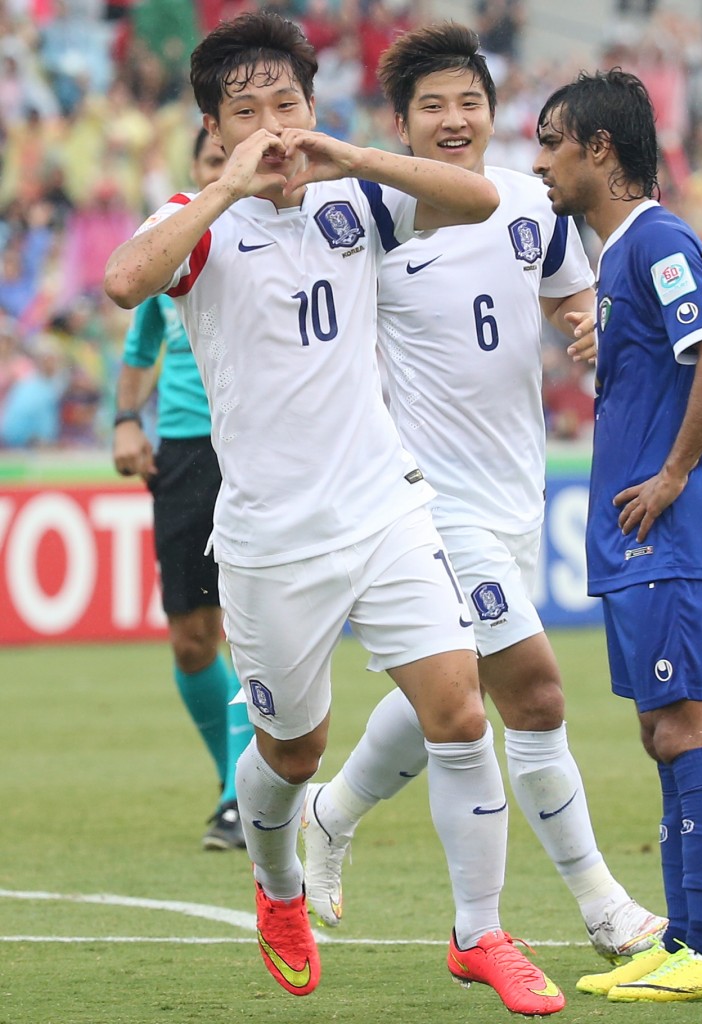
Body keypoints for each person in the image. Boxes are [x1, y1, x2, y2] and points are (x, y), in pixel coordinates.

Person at [104, 12, 564, 1016]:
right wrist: (225, 185)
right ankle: (279, 890)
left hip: (385, 508)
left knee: (457, 710)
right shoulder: (199, 218)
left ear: (312, 107)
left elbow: (481, 197)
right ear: (215, 129)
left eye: (287, 103)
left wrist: (354, 153)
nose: (272, 124)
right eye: (247, 110)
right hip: (270, 540)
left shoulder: (359, 196)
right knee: (292, 753)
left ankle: (479, 931)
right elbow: (122, 280)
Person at [301, 21, 667, 964]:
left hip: (514, 495)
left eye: (469, 102)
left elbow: (567, 299)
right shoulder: (375, 219)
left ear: (493, 114)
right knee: (536, 695)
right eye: (433, 106)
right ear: (400, 122)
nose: (454, 119)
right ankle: (604, 908)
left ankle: (332, 812)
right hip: (428, 499)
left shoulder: (528, 205)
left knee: (451, 692)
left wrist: (586, 324)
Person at [533, 69, 702, 1003]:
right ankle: (687, 938)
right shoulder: (623, 255)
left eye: (552, 143)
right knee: (661, 731)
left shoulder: (658, 238)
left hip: (667, 529)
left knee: (684, 726)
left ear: (600, 150)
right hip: (637, 537)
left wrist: (669, 476)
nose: (539, 162)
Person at [112, 127, 254, 851]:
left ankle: (242, 796)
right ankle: (236, 781)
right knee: (193, 638)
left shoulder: (280, 246)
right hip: (189, 449)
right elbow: (141, 349)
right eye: (211, 161)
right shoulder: (171, 249)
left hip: (261, 447)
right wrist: (124, 422)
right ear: (197, 172)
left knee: (251, 630)